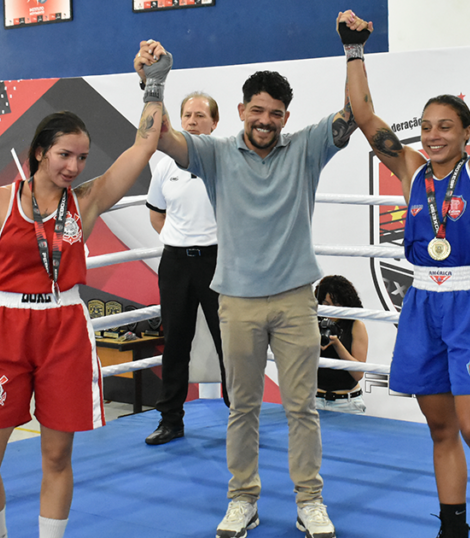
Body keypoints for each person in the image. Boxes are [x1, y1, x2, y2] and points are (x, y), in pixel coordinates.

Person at [136, 32, 357, 538]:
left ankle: (310, 500)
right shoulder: (213, 154)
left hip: (296, 301)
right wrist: (154, 82)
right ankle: (242, 499)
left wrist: (353, 51)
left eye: (275, 113)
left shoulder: (305, 148)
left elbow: (356, 112)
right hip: (235, 299)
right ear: (240, 109)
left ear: (285, 115)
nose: (265, 120)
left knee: (302, 407)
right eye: (257, 110)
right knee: (245, 409)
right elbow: (156, 136)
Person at [0, 83, 165, 538]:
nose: (74, 166)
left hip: (63, 328)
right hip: (4, 329)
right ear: (40, 152)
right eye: (65, 155)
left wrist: (154, 86)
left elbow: (144, 145)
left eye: (82, 158)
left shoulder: (84, 201)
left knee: (56, 457)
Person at [341, 4, 470, 537]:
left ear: (468, 133)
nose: (433, 134)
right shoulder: (412, 171)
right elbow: (366, 117)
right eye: (425, 126)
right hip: (421, 303)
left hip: (469, 304)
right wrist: (354, 51)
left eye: (445, 126)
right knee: (440, 427)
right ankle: (453, 526)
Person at [143, 91, 229, 446]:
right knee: (175, 342)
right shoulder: (164, 163)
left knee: (232, 343)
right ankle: (170, 420)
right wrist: (181, 241)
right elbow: (155, 212)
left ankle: (240, 417)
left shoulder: (226, 159)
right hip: (176, 262)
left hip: (218, 260)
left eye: (200, 115)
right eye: (187, 115)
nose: (192, 120)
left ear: (215, 122)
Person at [314, 275, 369, 415]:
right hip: (314, 399)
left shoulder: (355, 325)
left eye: (337, 304)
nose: (331, 309)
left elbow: (358, 374)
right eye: (326, 304)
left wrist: (337, 344)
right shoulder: (312, 321)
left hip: (347, 403)